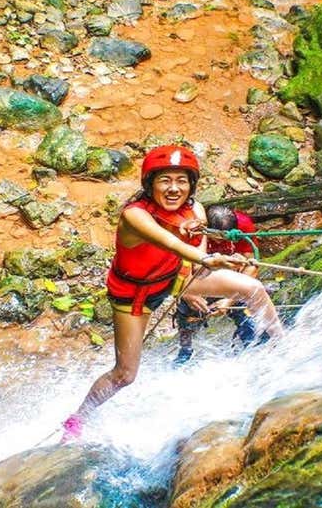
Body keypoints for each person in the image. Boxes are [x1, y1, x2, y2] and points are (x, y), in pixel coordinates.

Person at [61, 145, 287, 441]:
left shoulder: (195, 210)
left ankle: (283, 348)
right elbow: (170, 243)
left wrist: (199, 272)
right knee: (125, 375)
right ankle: (78, 419)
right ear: (150, 184)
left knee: (252, 288)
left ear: (191, 184)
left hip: (174, 276)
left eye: (181, 181)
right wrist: (202, 260)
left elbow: (196, 253)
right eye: (164, 180)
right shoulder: (134, 215)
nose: (173, 188)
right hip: (135, 294)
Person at [173, 205, 265, 364]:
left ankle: (251, 346)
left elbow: (251, 265)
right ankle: (185, 350)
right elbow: (173, 265)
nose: (223, 241)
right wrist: (187, 293)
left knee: (243, 311)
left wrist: (230, 300)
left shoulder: (243, 226)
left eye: (227, 237)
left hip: (230, 274)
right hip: (196, 275)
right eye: (219, 237)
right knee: (187, 313)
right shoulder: (191, 229)